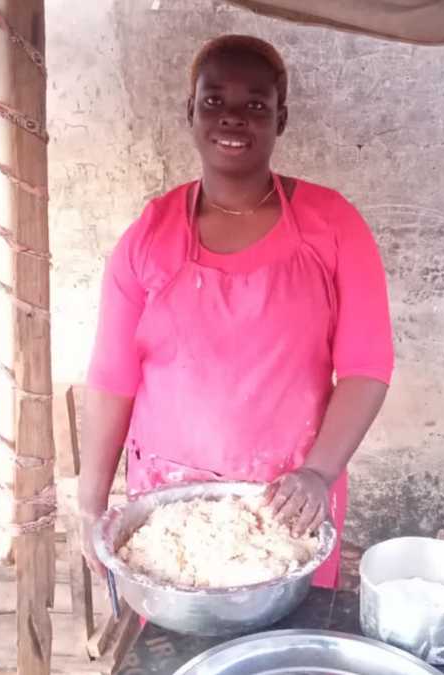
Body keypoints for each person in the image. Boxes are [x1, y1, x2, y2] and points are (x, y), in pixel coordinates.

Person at [79, 35, 393, 590]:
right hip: (168, 518)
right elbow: (112, 381)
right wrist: (90, 505)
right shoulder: (148, 238)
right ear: (191, 112)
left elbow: (367, 366)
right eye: (214, 100)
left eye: (255, 104)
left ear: (281, 118)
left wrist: (318, 473)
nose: (233, 118)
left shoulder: (333, 225)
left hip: (286, 510)